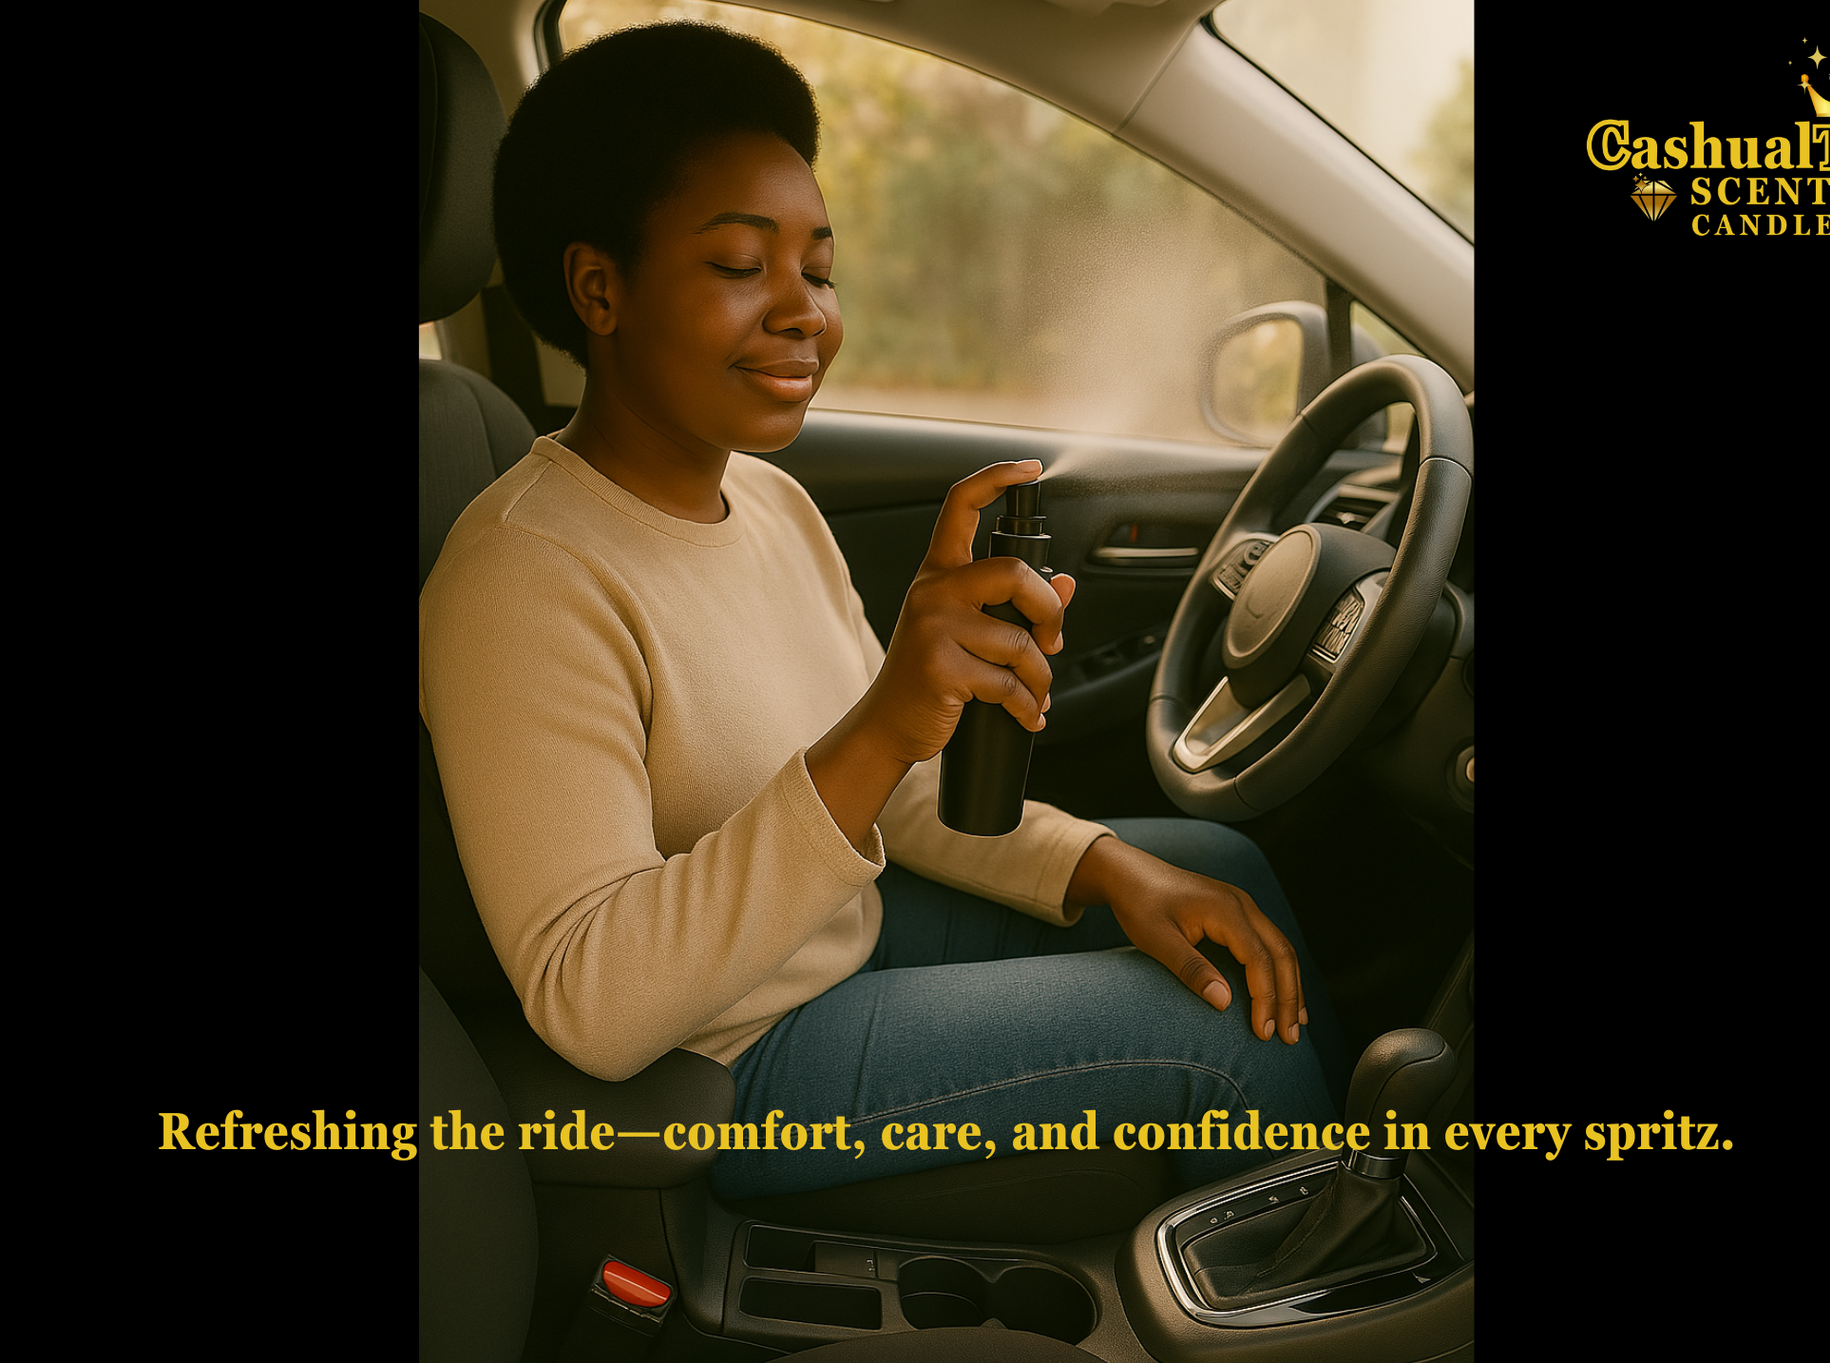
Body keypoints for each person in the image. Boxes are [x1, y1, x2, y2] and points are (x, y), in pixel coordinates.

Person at [419, 21, 1346, 1201]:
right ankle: (1335, 1267)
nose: (804, 311)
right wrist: (884, 722)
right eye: (738, 265)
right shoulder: (522, 575)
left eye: (817, 269)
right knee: (1223, 1040)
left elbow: (893, 799)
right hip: (728, 1055)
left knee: (1214, 871)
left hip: (831, 937)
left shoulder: (770, 501)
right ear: (600, 289)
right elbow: (590, 1001)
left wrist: (1096, 861)